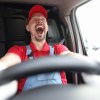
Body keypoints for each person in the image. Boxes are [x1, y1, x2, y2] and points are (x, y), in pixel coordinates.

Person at [0, 4, 71, 96]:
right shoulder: (19, 51)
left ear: (47, 28)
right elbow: (4, 63)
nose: (40, 21)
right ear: (28, 28)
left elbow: (69, 55)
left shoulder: (58, 49)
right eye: (35, 19)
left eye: (43, 19)